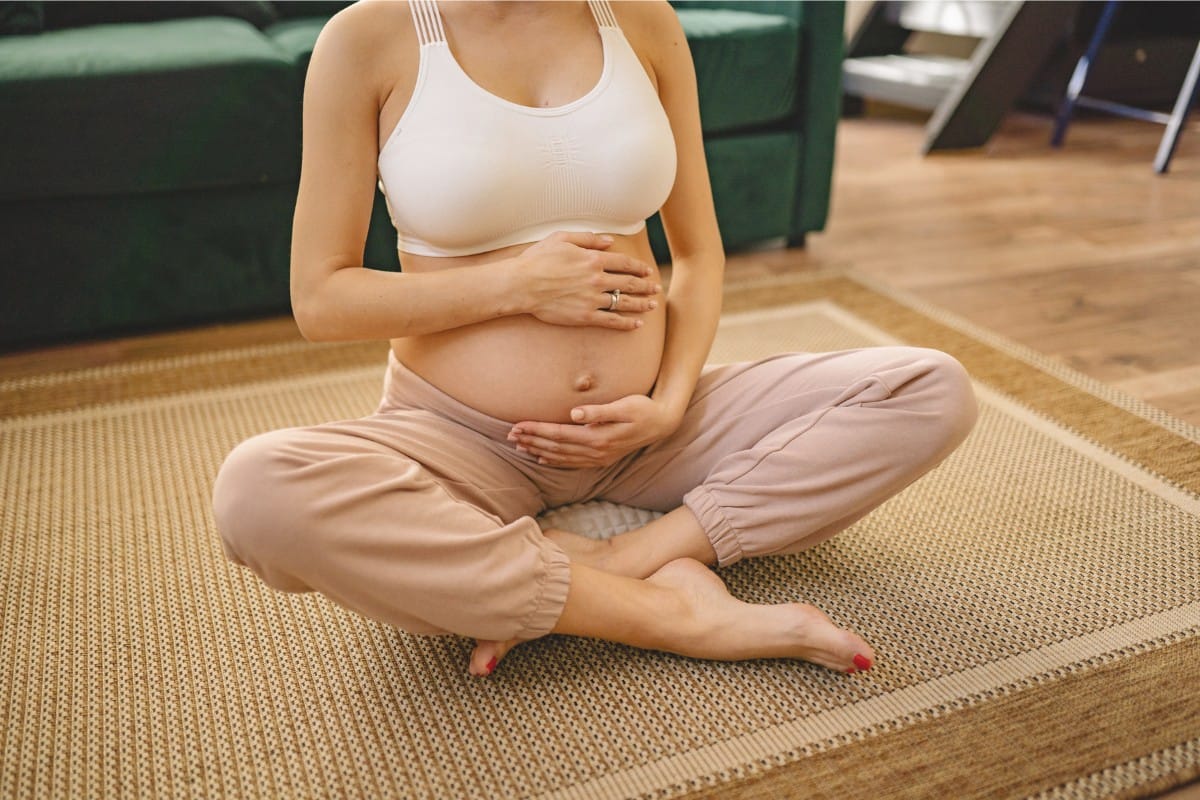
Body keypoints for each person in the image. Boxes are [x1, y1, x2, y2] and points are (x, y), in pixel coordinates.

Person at [212, 0, 978, 678]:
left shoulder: (641, 20)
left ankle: (618, 555)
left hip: (649, 433)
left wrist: (671, 404)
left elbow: (700, 255)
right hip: (461, 441)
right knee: (258, 491)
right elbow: (322, 299)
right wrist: (516, 285)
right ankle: (671, 615)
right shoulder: (370, 37)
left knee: (930, 390)